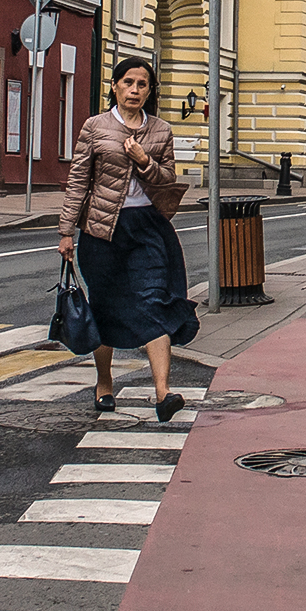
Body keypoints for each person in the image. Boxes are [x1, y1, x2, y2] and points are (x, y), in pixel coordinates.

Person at [59, 57, 197, 424]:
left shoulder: (161, 131)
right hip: (101, 230)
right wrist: (66, 231)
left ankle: (164, 393)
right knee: (104, 305)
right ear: (115, 86)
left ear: (150, 91)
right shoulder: (95, 127)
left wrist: (144, 160)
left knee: (154, 301)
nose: (135, 90)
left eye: (143, 85)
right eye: (129, 83)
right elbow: (78, 181)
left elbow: (167, 179)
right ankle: (104, 383)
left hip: (146, 227)